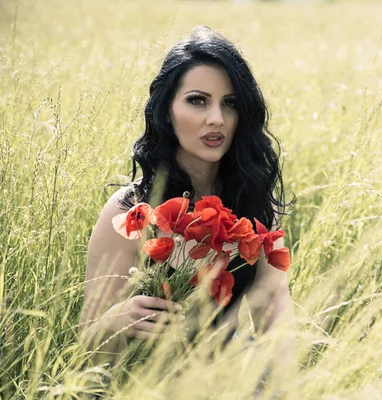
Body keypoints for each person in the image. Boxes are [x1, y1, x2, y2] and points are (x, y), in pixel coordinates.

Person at [78, 26, 295, 374]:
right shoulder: (130, 211)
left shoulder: (254, 205)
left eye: (230, 104)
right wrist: (116, 321)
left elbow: (277, 319)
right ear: (166, 111)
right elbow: (87, 346)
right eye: (198, 100)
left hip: (227, 379)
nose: (217, 119)